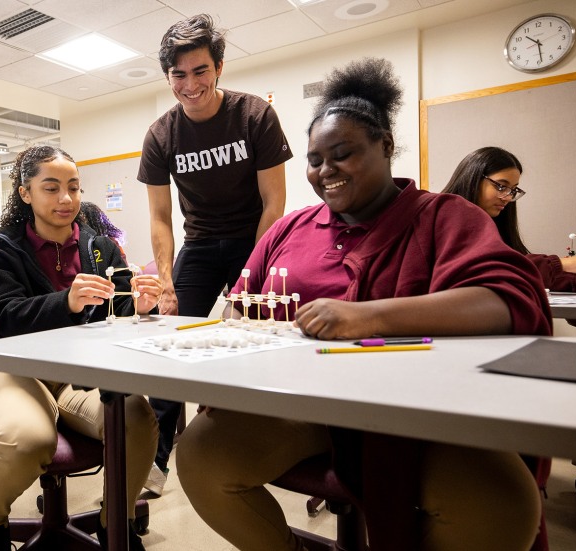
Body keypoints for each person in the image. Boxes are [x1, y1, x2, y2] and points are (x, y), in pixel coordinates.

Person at [176, 58, 551, 551]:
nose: (325, 170)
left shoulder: (442, 216)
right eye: (314, 159)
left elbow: (506, 300)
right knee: (201, 455)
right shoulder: (288, 229)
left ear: (386, 146)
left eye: (343, 153)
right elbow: (241, 309)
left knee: (504, 501)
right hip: (302, 404)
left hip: (418, 410)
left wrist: (365, 317)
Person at [0, 145, 161, 551]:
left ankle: (116, 523)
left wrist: (141, 306)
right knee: (27, 438)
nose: (66, 199)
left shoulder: (101, 248)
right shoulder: (4, 250)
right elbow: (5, 313)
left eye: (73, 188)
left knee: (137, 420)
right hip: (18, 370)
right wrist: (67, 302)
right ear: (25, 194)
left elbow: (118, 309)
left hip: (85, 374)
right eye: (51, 188)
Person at [136, 13, 293, 495]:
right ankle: (157, 460)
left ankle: (253, 442)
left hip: (256, 239)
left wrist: (250, 275)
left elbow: (275, 203)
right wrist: (165, 281)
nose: (190, 84)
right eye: (179, 75)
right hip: (200, 244)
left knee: (251, 338)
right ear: (168, 78)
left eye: (200, 70)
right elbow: (161, 218)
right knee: (167, 339)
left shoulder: (254, 116)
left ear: (219, 67)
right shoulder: (161, 135)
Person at [441, 146, 576, 291]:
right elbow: (492, 268)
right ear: (473, 178)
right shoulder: (446, 215)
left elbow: (520, 272)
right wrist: (566, 264)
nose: (507, 198)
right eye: (501, 186)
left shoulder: (492, 221)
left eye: (513, 190)